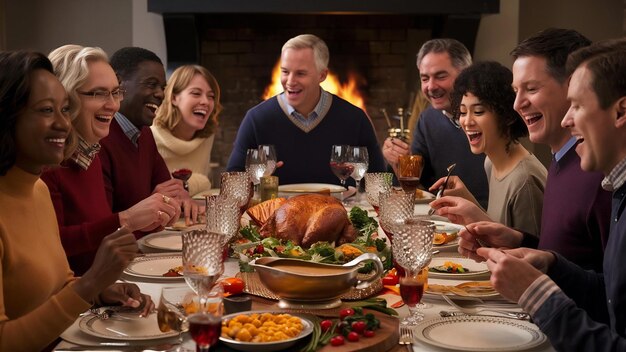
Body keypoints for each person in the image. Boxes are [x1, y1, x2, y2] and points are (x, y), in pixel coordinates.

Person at [477, 39, 626, 351]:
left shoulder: (600, 182)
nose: (567, 119)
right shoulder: (616, 187)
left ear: (621, 110)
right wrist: (548, 262)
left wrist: (537, 294)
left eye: (578, 105)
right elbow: (611, 294)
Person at [0, 50, 153, 351]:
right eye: (46, 111)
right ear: (7, 118)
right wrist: (89, 283)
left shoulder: (37, 190)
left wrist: (101, 289)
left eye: (65, 109)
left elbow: (59, 284)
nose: (65, 124)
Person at [458, 28, 611, 273]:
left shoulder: (600, 175)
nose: (518, 104)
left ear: (573, 88)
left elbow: (611, 297)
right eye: (516, 91)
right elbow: (569, 257)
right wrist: (518, 240)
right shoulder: (561, 160)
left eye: (531, 89)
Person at [41, 45, 181, 275]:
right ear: (64, 98)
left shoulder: (90, 155)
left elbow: (100, 238)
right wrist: (127, 220)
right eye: (99, 93)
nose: (113, 105)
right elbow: (52, 248)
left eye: (115, 93)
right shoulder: (46, 166)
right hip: (78, 299)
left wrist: (146, 221)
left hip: (102, 286)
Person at [226, 34, 385, 185]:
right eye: (285, 72)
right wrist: (258, 181)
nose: (290, 81)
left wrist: (357, 196)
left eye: (300, 73)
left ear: (322, 75)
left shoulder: (355, 119)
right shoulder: (256, 119)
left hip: (341, 212)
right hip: (275, 213)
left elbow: (379, 179)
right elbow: (233, 181)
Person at [430, 61, 547, 236]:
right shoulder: (491, 163)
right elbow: (499, 229)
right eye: (462, 112)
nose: (467, 121)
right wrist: (466, 198)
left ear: (507, 115)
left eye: (478, 112)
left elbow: (530, 257)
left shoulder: (524, 181)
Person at [382, 39, 489, 209]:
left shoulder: (490, 116)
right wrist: (398, 161)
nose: (431, 86)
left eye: (440, 76)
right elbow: (416, 186)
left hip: (489, 220)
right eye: (425, 79)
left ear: (465, 74)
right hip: (444, 218)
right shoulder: (428, 119)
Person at [101, 47, 200, 223]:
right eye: (151, 84)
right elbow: (103, 225)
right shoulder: (101, 138)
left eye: (162, 87)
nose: (160, 94)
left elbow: (168, 189)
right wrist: (151, 205)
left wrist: (182, 196)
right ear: (118, 83)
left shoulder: (144, 134)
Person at [151, 64, 222, 197]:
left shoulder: (206, 137)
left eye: (211, 96)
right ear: (173, 98)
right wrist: (198, 182)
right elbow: (155, 190)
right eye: (196, 93)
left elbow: (204, 186)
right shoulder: (149, 136)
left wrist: (185, 185)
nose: (205, 102)